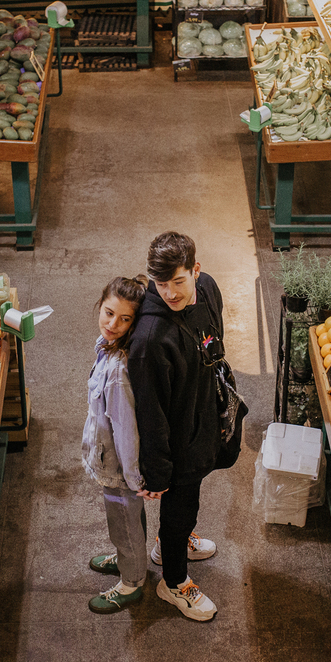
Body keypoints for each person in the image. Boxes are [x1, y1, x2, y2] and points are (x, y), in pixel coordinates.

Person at [127, 232, 223, 622]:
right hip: (177, 437)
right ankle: (174, 580)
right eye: (160, 284)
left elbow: (213, 339)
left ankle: (172, 544)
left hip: (202, 417)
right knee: (180, 502)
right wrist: (158, 469)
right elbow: (150, 415)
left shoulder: (209, 289)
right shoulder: (150, 339)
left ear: (195, 271)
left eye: (178, 282)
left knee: (190, 499)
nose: (169, 293)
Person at [82, 276, 152, 614]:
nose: (113, 324)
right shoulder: (105, 345)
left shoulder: (119, 370)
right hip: (110, 458)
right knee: (129, 520)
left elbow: (126, 430)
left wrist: (133, 478)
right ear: (100, 304)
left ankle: (132, 580)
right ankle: (130, 558)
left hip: (119, 468)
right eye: (109, 313)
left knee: (122, 523)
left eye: (125, 319)